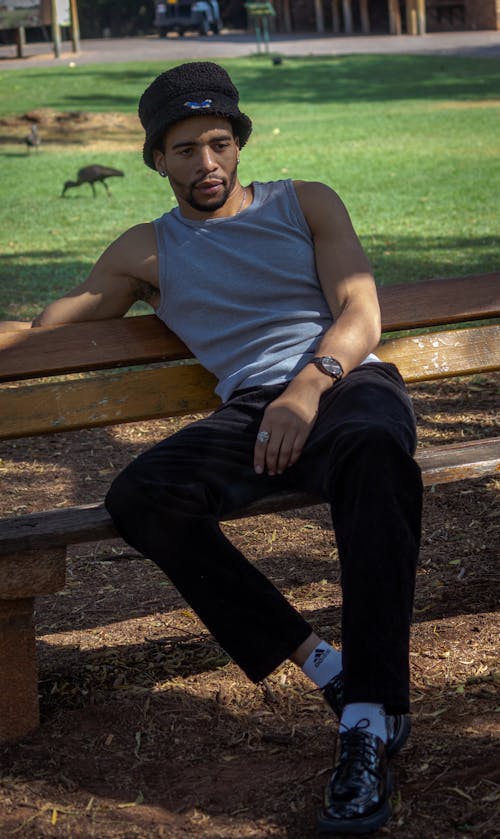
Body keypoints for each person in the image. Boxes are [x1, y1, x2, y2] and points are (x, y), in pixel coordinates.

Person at [27, 62, 423, 834]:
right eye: (184, 149)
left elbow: (360, 308)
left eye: (218, 143)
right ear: (156, 158)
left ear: (238, 143)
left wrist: (308, 387)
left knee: (376, 452)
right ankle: (326, 667)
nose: (206, 163)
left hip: (344, 385)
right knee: (142, 495)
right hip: (252, 410)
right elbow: (49, 332)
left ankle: (370, 718)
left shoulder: (304, 202)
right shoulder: (146, 250)